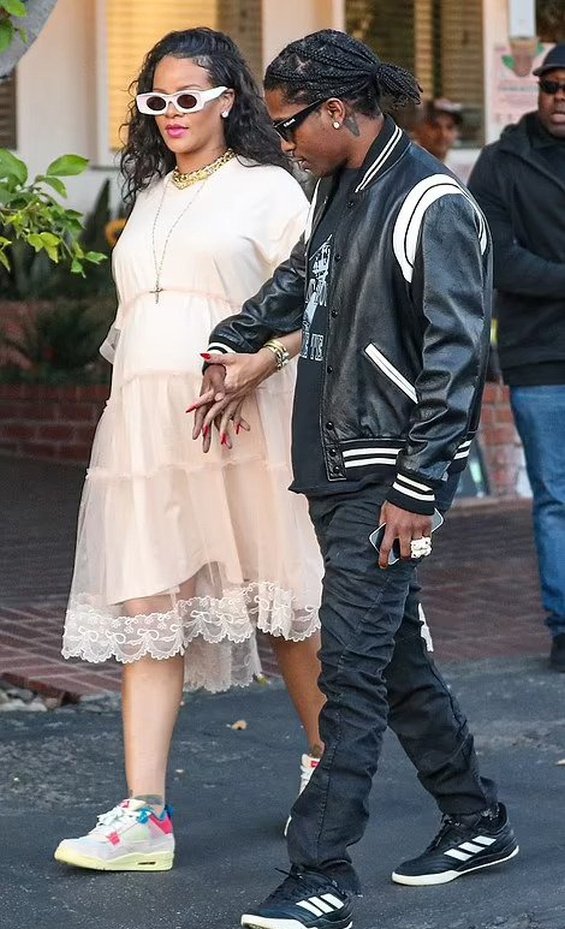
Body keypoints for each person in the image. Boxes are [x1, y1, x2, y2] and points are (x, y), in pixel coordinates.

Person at [192, 30, 519, 929]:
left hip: (386, 475)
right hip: (336, 463)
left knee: (353, 670)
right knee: (392, 657)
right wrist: (233, 338)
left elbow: (458, 365)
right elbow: (299, 283)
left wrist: (418, 492)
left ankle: (321, 872)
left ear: (338, 110)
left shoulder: (432, 206)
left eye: (291, 122)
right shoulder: (337, 187)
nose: (284, 140)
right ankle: (476, 817)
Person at [54, 27, 326, 872]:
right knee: (147, 610)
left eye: (187, 98)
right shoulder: (150, 195)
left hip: (244, 426)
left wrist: (261, 361)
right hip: (145, 435)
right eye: (155, 100)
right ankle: (144, 814)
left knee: (285, 607)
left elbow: (324, 302)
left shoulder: (271, 190)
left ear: (227, 100)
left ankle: (331, 769)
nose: (171, 114)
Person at [469, 43, 565, 674]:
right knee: (556, 496)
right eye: (552, 85)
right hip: (540, 356)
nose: (561, 96)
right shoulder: (501, 163)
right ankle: (564, 629)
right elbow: (496, 256)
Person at [411, 97, 463, 163]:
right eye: (434, 126)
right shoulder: (405, 165)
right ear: (417, 129)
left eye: (450, 127)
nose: (443, 134)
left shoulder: (462, 167)